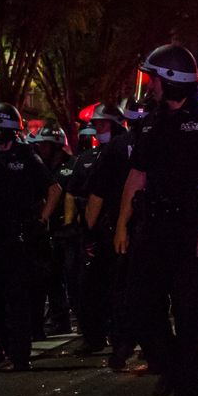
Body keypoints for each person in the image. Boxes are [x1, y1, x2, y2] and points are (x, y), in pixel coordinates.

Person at [114, 44, 198, 396]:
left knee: (189, 313)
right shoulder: (150, 121)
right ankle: (169, 364)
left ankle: (186, 394)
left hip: (191, 227)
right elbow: (137, 176)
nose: (150, 86)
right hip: (153, 225)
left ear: (170, 80)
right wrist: (121, 225)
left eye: (153, 78)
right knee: (139, 304)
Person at [0, 103, 58, 374]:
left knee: (17, 300)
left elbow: (53, 189)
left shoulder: (26, 157)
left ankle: (19, 356)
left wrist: (41, 221)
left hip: (16, 237)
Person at [76, 103, 129, 355]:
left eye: (102, 124)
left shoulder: (110, 152)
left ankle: (109, 339)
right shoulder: (133, 147)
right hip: (128, 227)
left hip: (111, 230)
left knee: (102, 287)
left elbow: (96, 195)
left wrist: (88, 231)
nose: (98, 129)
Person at [30, 124, 75, 338]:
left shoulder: (71, 167)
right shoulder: (42, 169)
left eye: (44, 145)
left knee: (71, 277)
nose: (40, 148)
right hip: (48, 230)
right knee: (51, 277)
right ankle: (59, 317)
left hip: (67, 230)